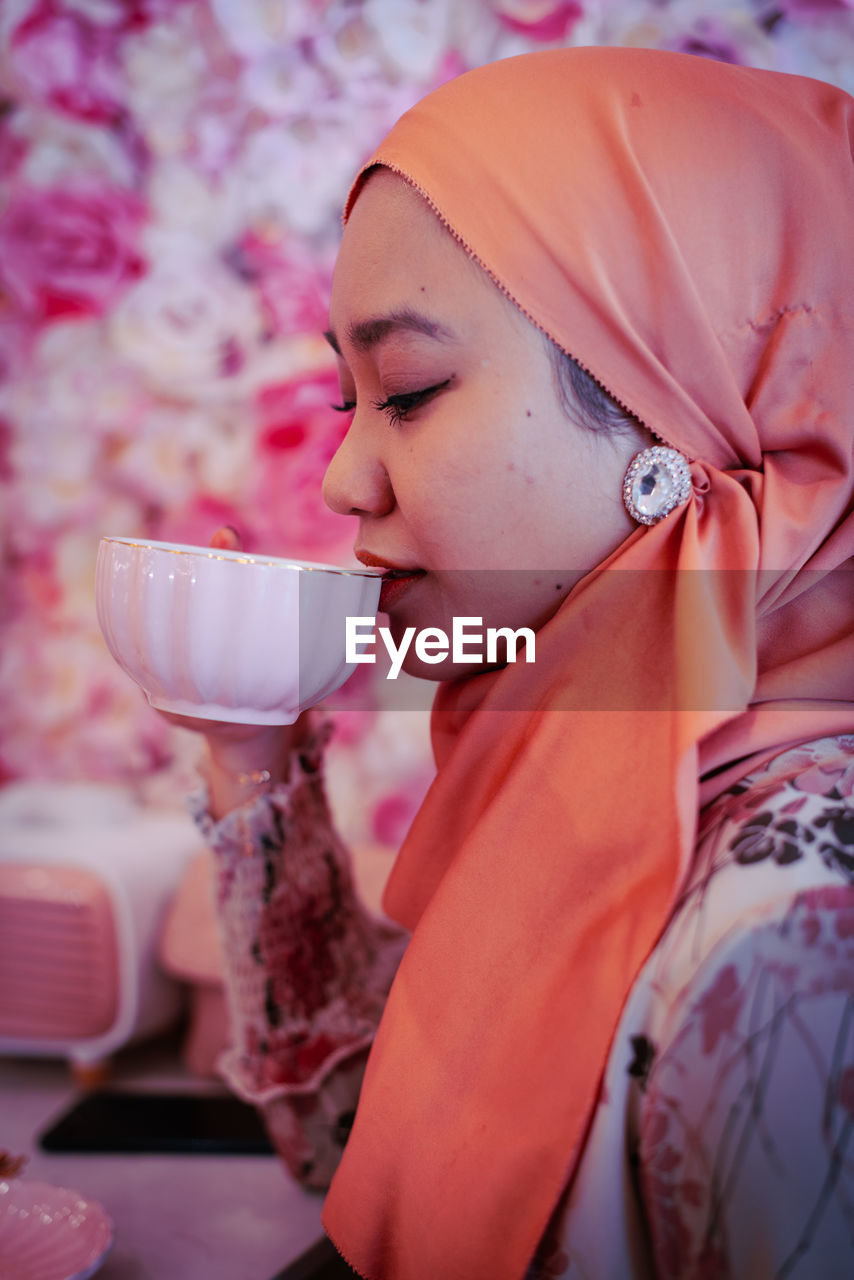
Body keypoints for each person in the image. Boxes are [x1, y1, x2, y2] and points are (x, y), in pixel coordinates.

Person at [176, 47, 854, 1279]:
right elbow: (367, 1154)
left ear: (684, 416)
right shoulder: (584, 749)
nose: (341, 480)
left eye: (410, 389)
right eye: (348, 404)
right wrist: (246, 738)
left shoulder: (798, 939)